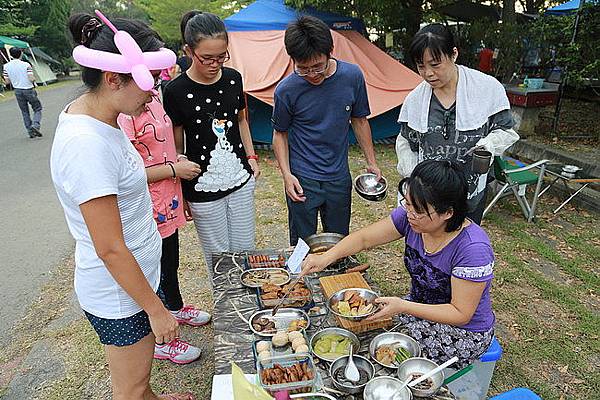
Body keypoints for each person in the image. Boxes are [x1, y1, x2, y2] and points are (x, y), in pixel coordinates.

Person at [51, 12, 194, 399]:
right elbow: (110, 247)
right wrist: (157, 308)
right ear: (113, 78)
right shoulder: (86, 145)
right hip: (120, 295)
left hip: (135, 283)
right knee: (128, 389)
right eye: (148, 85)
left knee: (138, 381)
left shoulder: (105, 117)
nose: (153, 94)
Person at [301, 160, 495, 369]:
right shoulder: (412, 217)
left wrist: (402, 306)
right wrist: (325, 257)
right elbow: (364, 238)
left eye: (418, 210)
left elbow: (461, 314)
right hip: (417, 308)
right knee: (367, 334)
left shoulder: (472, 249)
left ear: (448, 212)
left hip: (463, 331)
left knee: (379, 352)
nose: (409, 214)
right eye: (408, 204)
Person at [118, 96, 212, 365]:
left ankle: (175, 308)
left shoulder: (153, 97)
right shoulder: (125, 111)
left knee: (170, 262)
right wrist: (174, 168)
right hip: (147, 206)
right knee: (153, 272)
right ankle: (161, 342)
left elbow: (159, 148)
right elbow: (128, 174)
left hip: (167, 200)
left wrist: (176, 162)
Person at [272, 16, 381, 246]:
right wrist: (286, 175)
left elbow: (359, 120)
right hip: (303, 178)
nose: (311, 74)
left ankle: (338, 281)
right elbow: (279, 134)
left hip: (338, 176)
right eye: (303, 68)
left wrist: (371, 161)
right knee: (303, 245)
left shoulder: (352, 77)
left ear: (330, 51)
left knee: (339, 242)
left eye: (317, 66)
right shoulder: (286, 90)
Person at [163, 11, 259, 270]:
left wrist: (251, 157)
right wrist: (181, 191)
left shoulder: (233, 79)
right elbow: (177, 143)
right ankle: (227, 308)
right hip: (202, 186)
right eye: (206, 58)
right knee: (219, 260)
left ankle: (247, 307)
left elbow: (241, 121)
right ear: (188, 51)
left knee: (245, 251)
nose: (215, 64)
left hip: (240, 178)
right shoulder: (174, 90)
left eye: (221, 56)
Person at [395, 23, 519, 224]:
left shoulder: (487, 89)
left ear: (453, 54)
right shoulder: (415, 99)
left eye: (435, 64)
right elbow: (405, 141)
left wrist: (489, 145)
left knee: (463, 245)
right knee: (428, 248)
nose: (428, 73)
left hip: (469, 192)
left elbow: (506, 131)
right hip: (428, 197)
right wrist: (411, 171)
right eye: (421, 66)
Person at [2, 47, 43, 138]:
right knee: (37, 108)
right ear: (20, 53)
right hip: (28, 89)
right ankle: (35, 125)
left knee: (25, 111)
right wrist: (34, 80)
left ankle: (30, 132)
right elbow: (31, 78)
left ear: (11, 55)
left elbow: (7, 81)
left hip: (17, 90)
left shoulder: (6, 66)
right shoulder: (26, 65)